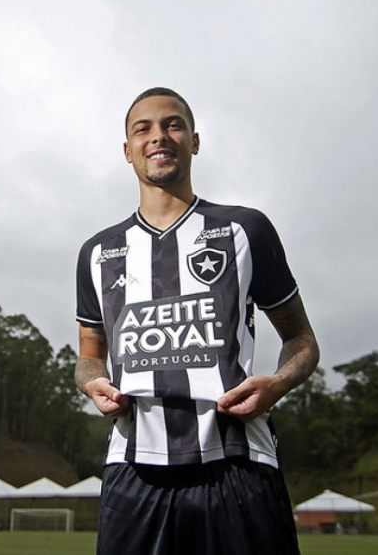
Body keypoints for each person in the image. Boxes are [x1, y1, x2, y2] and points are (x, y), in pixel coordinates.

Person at [74, 87, 320, 555]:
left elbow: (301, 339)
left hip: (239, 465)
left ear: (194, 140)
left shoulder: (244, 230)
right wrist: (93, 384)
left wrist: (278, 384)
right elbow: (89, 357)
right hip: (133, 471)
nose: (158, 136)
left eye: (173, 124)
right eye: (142, 128)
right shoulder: (98, 253)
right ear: (127, 150)